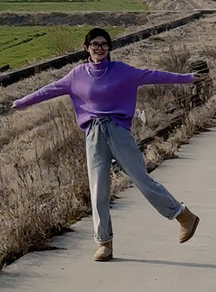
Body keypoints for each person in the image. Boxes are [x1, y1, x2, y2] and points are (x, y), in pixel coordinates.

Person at [11, 27, 200, 262]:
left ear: (109, 48)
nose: (99, 48)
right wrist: (23, 102)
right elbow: (50, 90)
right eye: (94, 44)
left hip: (118, 131)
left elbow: (153, 75)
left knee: (141, 179)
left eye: (104, 44)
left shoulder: (122, 71)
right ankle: (104, 243)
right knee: (98, 189)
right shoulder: (76, 75)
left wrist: (188, 78)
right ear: (86, 48)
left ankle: (183, 216)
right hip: (93, 134)